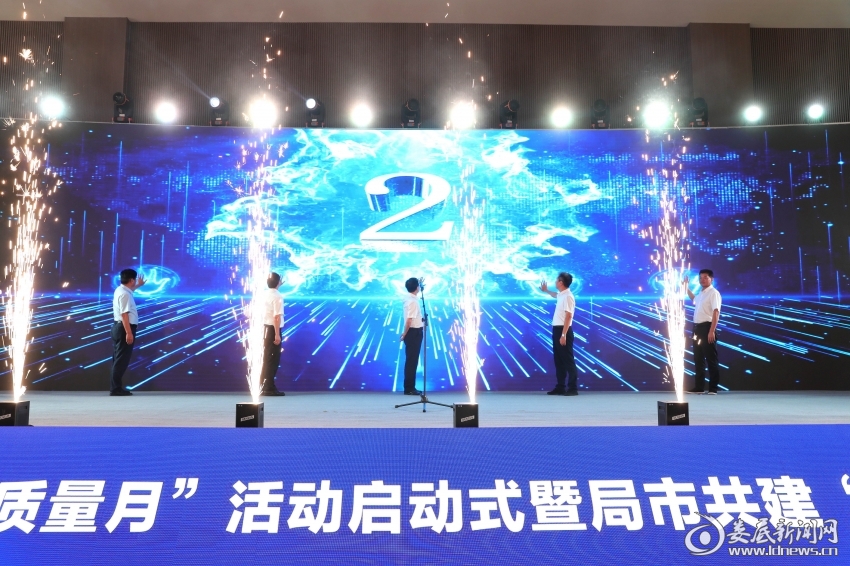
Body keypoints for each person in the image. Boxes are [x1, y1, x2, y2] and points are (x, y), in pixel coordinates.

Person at [539, 272, 578, 396]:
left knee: (568, 360)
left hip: (563, 330)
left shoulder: (568, 296)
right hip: (557, 330)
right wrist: (546, 290)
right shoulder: (562, 295)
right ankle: (560, 387)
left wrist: (563, 334)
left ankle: (572, 388)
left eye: (557, 280)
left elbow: (569, 316)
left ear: (561, 282)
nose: (555, 282)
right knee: (559, 360)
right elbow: (555, 295)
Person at [684, 269, 722, 395]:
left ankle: (713, 388)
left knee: (711, 359)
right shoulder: (701, 293)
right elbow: (694, 300)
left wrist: (712, 331)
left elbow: (716, 312)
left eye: (705, 277)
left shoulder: (713, 293)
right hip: (697, 328)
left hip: (707, 327)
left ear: (712, 279)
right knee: (698, 358)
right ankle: (699, 387)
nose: (702, 280)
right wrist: (686, 288)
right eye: (700, 278)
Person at [110, 268, 146, 396]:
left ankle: (116, 387)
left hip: (119, 327)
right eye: (134, 280)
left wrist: (138, 285)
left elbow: (130, 291)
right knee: (121, 360)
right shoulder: (124, 294)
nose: (135, 281)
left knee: (118, 359)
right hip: (124, 328)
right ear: (131, 280)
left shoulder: (121, 290)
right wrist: (129, 333)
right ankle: (116, 389)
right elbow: (124, 314)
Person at [260, 272, 285, 396]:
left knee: (266, 359)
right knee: (273, 360)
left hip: (264, 328)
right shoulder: (277, 296)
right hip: (272, 329)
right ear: (278, 282)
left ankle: (262, 385)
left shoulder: (265, 294)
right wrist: (277, 334)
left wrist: (277, 285)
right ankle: (269, 387)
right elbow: (276, 317)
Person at [399, 277, 423, 395]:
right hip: (413, 332)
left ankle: (410, 387)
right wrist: (404, 333)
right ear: (417, 287)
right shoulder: (412, 302)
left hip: (414, 332)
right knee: (412, 361)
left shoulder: (409, 299)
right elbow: (409, 320)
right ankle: (409, 388)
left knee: (412, 360)